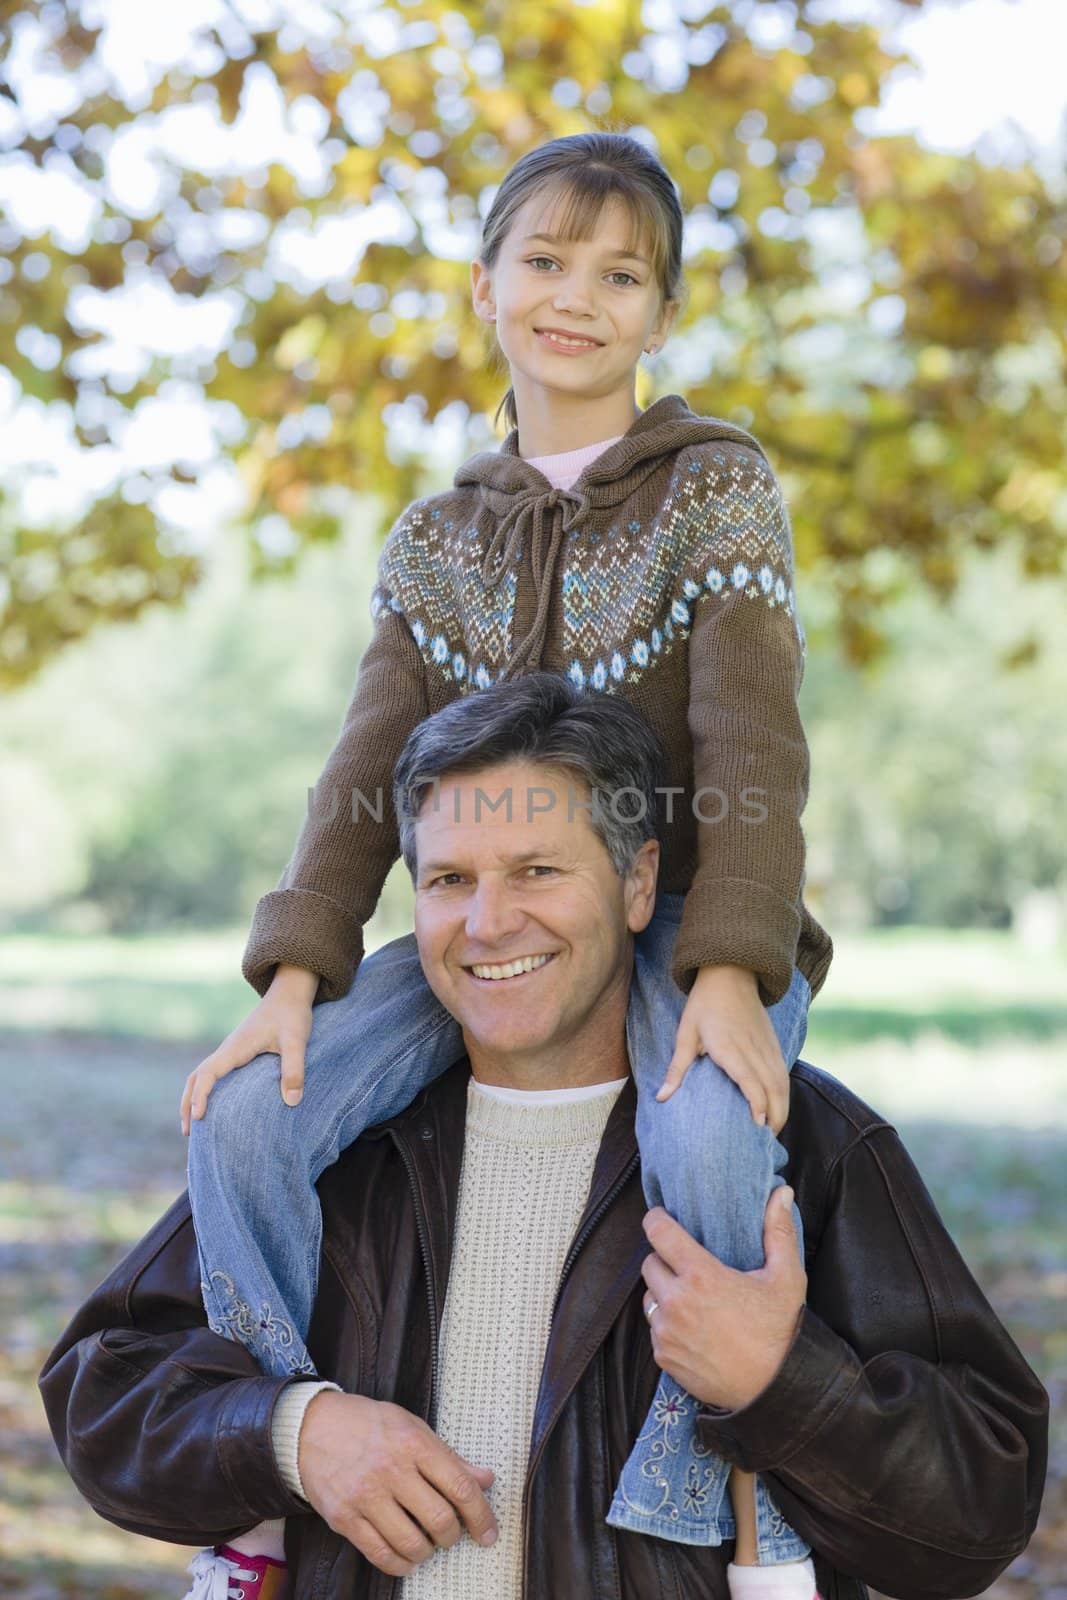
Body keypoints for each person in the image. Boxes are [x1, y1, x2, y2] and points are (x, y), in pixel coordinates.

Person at [180, 130, 835, 1592]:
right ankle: (265, 1482)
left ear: (658, 314)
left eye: (620, 275)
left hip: (677, 928)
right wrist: (295, 972)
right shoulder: (434, 539)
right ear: (485, 286)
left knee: (714, 1141)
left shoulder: (712, 490)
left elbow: (751, 739)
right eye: (544, 261)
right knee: (239, 1121)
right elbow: (362, 769)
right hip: (482, 936)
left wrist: (731, 968)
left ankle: (736, 1510)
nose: (577, 298)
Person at [40, 675, 1048, 1600]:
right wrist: (294, 1432)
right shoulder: (329, 1140)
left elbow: (974, 1513)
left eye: (535, 870)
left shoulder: (797, 1140)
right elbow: (104, 1396)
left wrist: (779, 1381)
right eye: (447, 881)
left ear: (637, 883)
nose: (486, 922)